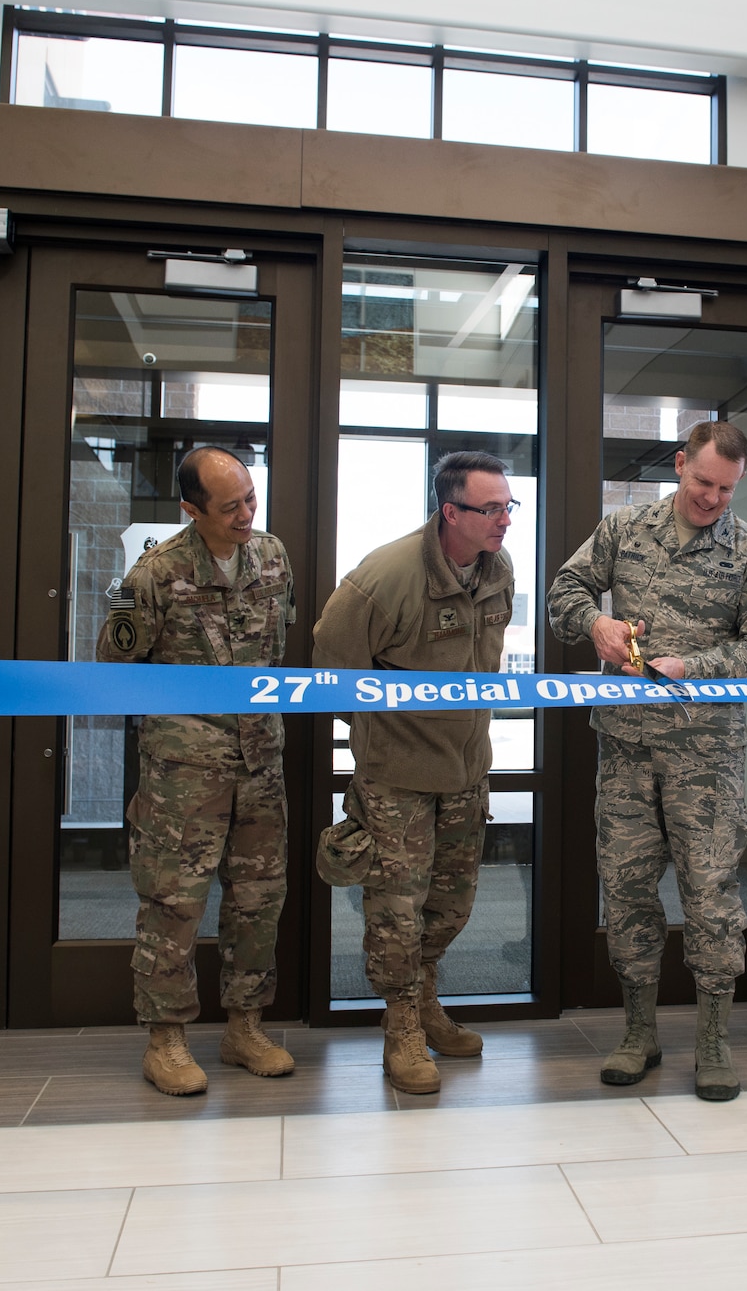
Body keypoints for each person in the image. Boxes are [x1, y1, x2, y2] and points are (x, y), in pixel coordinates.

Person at [548, 421, 747, 1101]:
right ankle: (638, 1031)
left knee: (711, 899)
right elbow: (565, 590)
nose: (713, 498)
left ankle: (713, 1041)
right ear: (681, 464)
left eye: (726, 488)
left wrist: (696, 667)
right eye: (703, 481)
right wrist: (594, 622)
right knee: (625, 892)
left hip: (703, 758)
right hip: (623, 747)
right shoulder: (625, 529)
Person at [314, 452, 516, 1095]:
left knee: (451, 905)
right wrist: (379, 733)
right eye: (491, 509)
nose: (505, 520)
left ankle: (426, 999)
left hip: (464, 771)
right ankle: (400, 1024)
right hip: (396, 775)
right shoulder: (386, 576)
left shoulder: (498, 569)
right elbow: (332, 665)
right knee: (396, 911)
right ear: (450, 512)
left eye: (509, 506)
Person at [97, 446, 296, 1095]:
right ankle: (166, 1039)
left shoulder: (272, 556)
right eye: (230, 504)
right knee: (174, 904)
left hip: (260, 763)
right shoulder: (152, 573)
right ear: (191, 508)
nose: (246, 512)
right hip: (185, 771)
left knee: (258, 900)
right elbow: (113, 664)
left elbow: (276, 651)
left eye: (250, 497)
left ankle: (245, 1025)